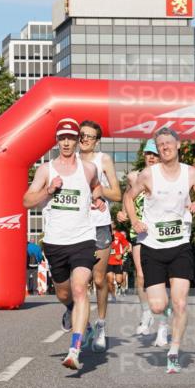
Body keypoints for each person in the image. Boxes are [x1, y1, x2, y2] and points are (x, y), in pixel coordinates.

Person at [125, 127, 195, 375]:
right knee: (157, 306)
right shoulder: (148, 175)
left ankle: (173, 351)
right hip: (152, 247)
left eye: (168, 143)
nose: (164, 147)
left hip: (180, 246)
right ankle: (160, 316)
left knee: (180, 303)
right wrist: (134, 220)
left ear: (178, 145)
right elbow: (128, 198)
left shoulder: (191, 173)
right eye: (160, 144)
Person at [22, 117, 107, 370]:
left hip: (83, 239)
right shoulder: (46, 170)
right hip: (55, 242)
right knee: (63, 293)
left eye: (71, 138)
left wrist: (98, 199)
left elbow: (97, 186)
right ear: (57, 141)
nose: (67, 143)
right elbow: (27, 201)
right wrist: (48, 191)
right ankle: (72, 310)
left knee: (80, 288)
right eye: (62, 138)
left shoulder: (88, 168)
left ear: (77, 140)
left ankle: (74, 350)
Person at [77, 120, 123, 351]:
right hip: (76, 226)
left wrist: (98, 189)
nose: (85, 139)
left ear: (97, 141)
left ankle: (101, 324)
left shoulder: (103, 159)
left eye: (90, 136)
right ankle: (83, 326)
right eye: (82, 135)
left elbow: (117, 194)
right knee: (78, 282)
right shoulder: (70, 160)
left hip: (99, 225)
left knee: (98, 279)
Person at [116, 139, 161, 337]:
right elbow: (128, 198)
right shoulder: (134, 177)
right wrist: (123, 213)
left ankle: (163, 318)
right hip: (140, 233)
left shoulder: (168, 177)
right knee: (141, 276)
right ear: (144, 155)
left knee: (160, 278)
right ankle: (145, 314)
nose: (152, 157)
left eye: (155, 154)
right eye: (149, 153)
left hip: (161, 234)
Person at [108, 225, 131, 299]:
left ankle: (119, 287)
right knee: (110, 279)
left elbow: (127, 246)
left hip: (117, 261)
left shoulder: (119, 235)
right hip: (108, 261)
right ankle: (113, 296)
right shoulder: (104, 234)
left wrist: (121, 254)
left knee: (119, 280)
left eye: (112, 223)